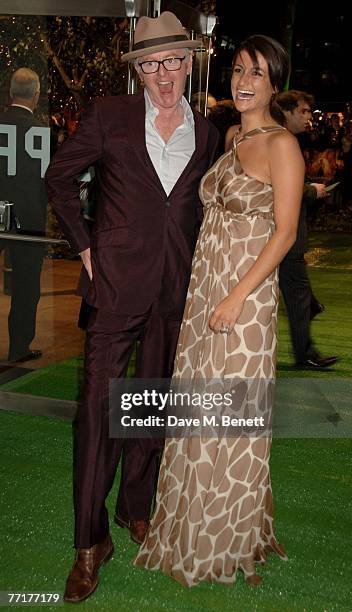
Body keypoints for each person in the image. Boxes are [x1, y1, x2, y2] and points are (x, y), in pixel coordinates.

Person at [45, 11, 218, 603]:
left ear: (188, 63)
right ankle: (88, 544)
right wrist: (86, 245)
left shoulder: (211, 131)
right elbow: (60, 178)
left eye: (173, 61)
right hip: (115, 290)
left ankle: (133, 508)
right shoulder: (108, 117)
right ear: (138, 70)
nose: (163, 74)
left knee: (150, 405)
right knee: (98, 414)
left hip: (176, 293)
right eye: (151, 64)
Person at [134, 35, 304, 587]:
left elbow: (284, 233)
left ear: (274, 81)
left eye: (256, 72)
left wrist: (236, 297)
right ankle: (185, 523)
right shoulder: (231, 136)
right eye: (237, 70)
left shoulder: (283, 146)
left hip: (244, 302)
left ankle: (221, 538)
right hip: (204, 292)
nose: (244, 81)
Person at [275, 90, 338, 369]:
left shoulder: (286, 140)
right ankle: (305, 353)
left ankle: (307, 339)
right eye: (303, 111)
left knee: (297, 291)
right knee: (296, 293)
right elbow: (273, 186)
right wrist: (311, 191)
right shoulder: (279, 140)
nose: (309, 117)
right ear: (287, 112)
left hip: (285, 236)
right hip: (282, 237)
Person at [0, 68, 49, 363]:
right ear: (36, 94)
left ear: (10, 92)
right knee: (26, 286)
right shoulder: (40, 131)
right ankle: (19, 347)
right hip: (29, 218)